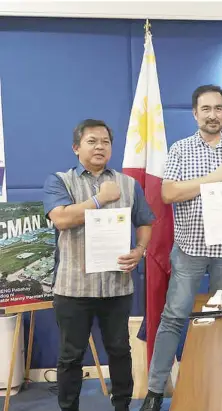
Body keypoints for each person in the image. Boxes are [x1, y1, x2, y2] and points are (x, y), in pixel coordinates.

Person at [140, 84, 222, 411]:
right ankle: (155, 392)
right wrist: (215, 177)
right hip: (189, 250)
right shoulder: (181, 149)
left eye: (218, 108)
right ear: (195, 113)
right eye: (206, 109)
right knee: (174, 316)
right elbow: (168, 194)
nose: (213, 114)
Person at [43, 119, 155, 411]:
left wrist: (140, 249)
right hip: (73, 289)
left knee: (120, 351)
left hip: (117, 286)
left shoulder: (129, 184)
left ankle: (122, 406)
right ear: (76, 147)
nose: (100, 147)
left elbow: (145, 222)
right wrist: (99, 199)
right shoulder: (59, 181)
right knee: (70, 356)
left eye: (105, 141)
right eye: (92, 141)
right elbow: (62, 219)